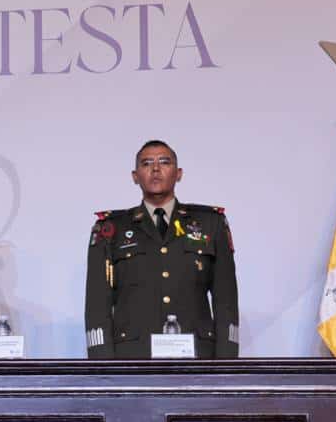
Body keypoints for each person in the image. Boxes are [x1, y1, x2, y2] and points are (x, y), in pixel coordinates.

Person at [85, 139, 238, 358]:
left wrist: (226, 365)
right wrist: (104, 367)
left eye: (164, 162)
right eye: (146, 163)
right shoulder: (111, 228)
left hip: (197, 358)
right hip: (132, 358)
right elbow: (97, 305)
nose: (155, 169)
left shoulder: (210, 224)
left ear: (179, 173)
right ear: (135, 176)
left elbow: (226, 301)